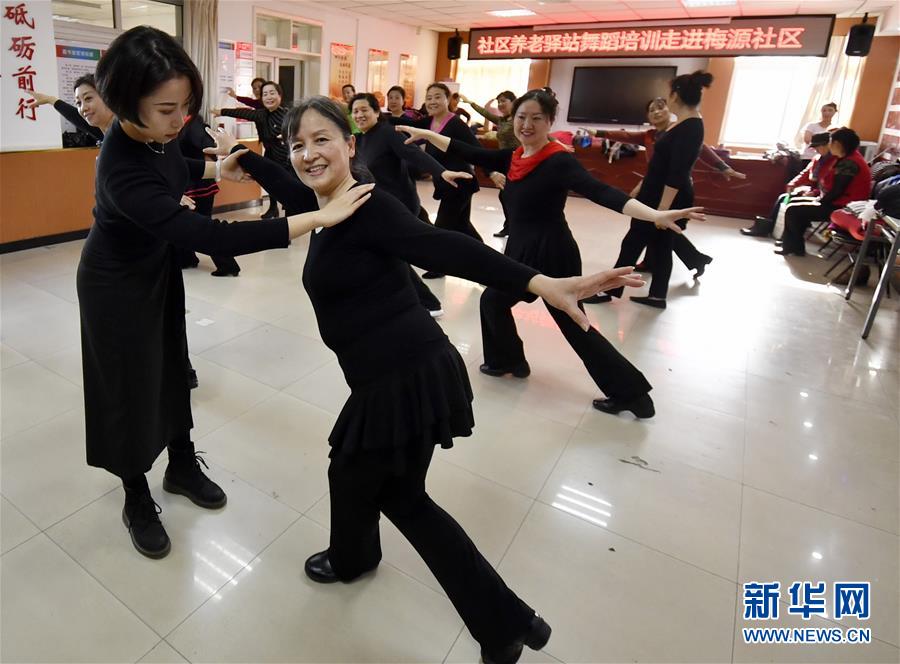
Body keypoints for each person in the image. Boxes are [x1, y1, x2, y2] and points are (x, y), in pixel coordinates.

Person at [208, 94, 646, 663]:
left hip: (403, 377)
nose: (309, 154)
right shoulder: (328, 204)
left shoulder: (369, 206)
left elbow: (447, 247)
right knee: (355, 470)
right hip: (395, 372)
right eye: (297, 144)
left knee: (397, 494)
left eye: (322, 140)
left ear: (350, 145)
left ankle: (505, 622)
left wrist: (539, 282)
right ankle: (356, 557)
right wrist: (246, 157)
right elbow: (294, 193)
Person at [80, 26, 374, 559]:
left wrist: (219, 167)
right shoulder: (120, 166)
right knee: (127, 385)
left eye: (185, 106)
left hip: (153, 269)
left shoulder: (156, 136)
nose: (180, 120)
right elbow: (213, 237)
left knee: (173, 367)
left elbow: (172, 164)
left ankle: (181, 463)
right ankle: (135, 493)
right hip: (113, 286)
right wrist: (315, 218)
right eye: (167, 109)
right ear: (126, 102)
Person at [397, 89, 703, 418]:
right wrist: (426, 134)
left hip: (553, 253)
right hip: (521, 250)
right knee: (493, 301)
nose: (526, 124)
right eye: (521, 117)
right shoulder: (515, 156)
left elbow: (601, 192)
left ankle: (633, 394)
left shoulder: (558, 160)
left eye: (536, 118)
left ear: (550, 122)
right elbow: (466, 150)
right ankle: (507, 361)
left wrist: (654, 214)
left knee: (574, 323)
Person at [591, 96, 745, 278]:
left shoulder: (681, 130)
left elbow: (703, 150)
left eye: (660, 107)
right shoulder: (649, 136)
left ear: (669, 110)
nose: (656, 112)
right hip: (653, 187)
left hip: (673, 190)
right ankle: (687, 260)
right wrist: (598, 132)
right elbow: (625, 136)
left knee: (659, 230)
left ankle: (688, 261)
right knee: (658, 229)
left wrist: (723, 167)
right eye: (651, 110)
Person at [350, 92, 473, 318]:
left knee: (392, 253)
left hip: (400, 205)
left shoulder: (388, 133)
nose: (359, 115)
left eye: (364, 110)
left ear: (376, 111)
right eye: (355, 111)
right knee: (395, 250)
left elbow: (414, 154)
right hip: (380, 205)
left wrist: (441, 172)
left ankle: (429, 302)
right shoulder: (360, 139)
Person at [599, 71, 712, 310]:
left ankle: (609, 290)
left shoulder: (691, 126)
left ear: (675, 96)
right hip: (656, 196)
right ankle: (656, 296)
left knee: (633, 243)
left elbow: (677, 172)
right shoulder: (685, 124)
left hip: (663, 199)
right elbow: (660, 167)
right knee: (660, 247)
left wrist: (662, 209)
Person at [411, 83, 482, 279]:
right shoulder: (429, 122)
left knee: (442, 226)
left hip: (460, 183)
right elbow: (405, 123)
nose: (432, 101)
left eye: (437, 97)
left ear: (448, 99)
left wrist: (492, 171)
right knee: (463, 226)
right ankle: (488, 259)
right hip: (448, 184)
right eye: (429, 98)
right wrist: (380, 118)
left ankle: (440, 266)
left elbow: (476, 149)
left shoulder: (455, 123)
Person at [777, 127, 872, 257]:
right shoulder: (845, 158)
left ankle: (793, 247)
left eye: (831, 142)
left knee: (794, 210)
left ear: (838, 144)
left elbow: (838, 190)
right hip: (837, 202)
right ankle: (791, 245)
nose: (829, 145)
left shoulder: (850, 162)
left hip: (845, 208)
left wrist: (819, 200)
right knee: (794, 202)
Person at [175, 113, 242, 277]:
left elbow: (207, 143)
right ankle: (187, 257)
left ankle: (228, 265)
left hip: (198, 184)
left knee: (203, 227)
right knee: (184, 223)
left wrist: (217, 158)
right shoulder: (180, 123)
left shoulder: (193, 123)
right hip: (188, 182)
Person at [213, 81, 289, 219]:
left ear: (280, 95)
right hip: (271, 154)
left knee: (288, 189)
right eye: (265, 94)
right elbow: (244, 113)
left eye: (272, 93)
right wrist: (221, 112)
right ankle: (273, 209)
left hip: (287, 158)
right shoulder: (262, 114)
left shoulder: (287, 115)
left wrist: (289, 136)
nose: (269, 97)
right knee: (270, 182)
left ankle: (291, 218)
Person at [741, 132, 834, 238]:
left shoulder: (834, 161)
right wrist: (792, 184)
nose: (815, 150)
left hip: (822, 196)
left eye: (818, 147)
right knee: (783, 197)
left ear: (828, 145)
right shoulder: (818, 158)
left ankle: (786, 236)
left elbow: (828, 185)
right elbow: (805, 173)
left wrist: (814, 192)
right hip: (814, 191)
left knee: (793, 204)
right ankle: (767, 227)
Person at [459, 90, 519, 238]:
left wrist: (555, 142)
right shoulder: (502, 120)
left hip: (518, 160)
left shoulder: (519, 119)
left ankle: (514, 227)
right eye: (499, 101)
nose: (500, 104)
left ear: (513, 102)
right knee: (505, 196)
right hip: (504, 161)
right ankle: (510, 226)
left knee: (509, 195)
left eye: (504, 101)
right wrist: (470, 103)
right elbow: (485, 113)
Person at [26, 74, 113, 144]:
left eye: (88, 98)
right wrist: (51, 100)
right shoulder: (106, 134)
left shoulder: (120, 131)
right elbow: (78, 119)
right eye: (78, 103)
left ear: (107, 96)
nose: (83, 108)